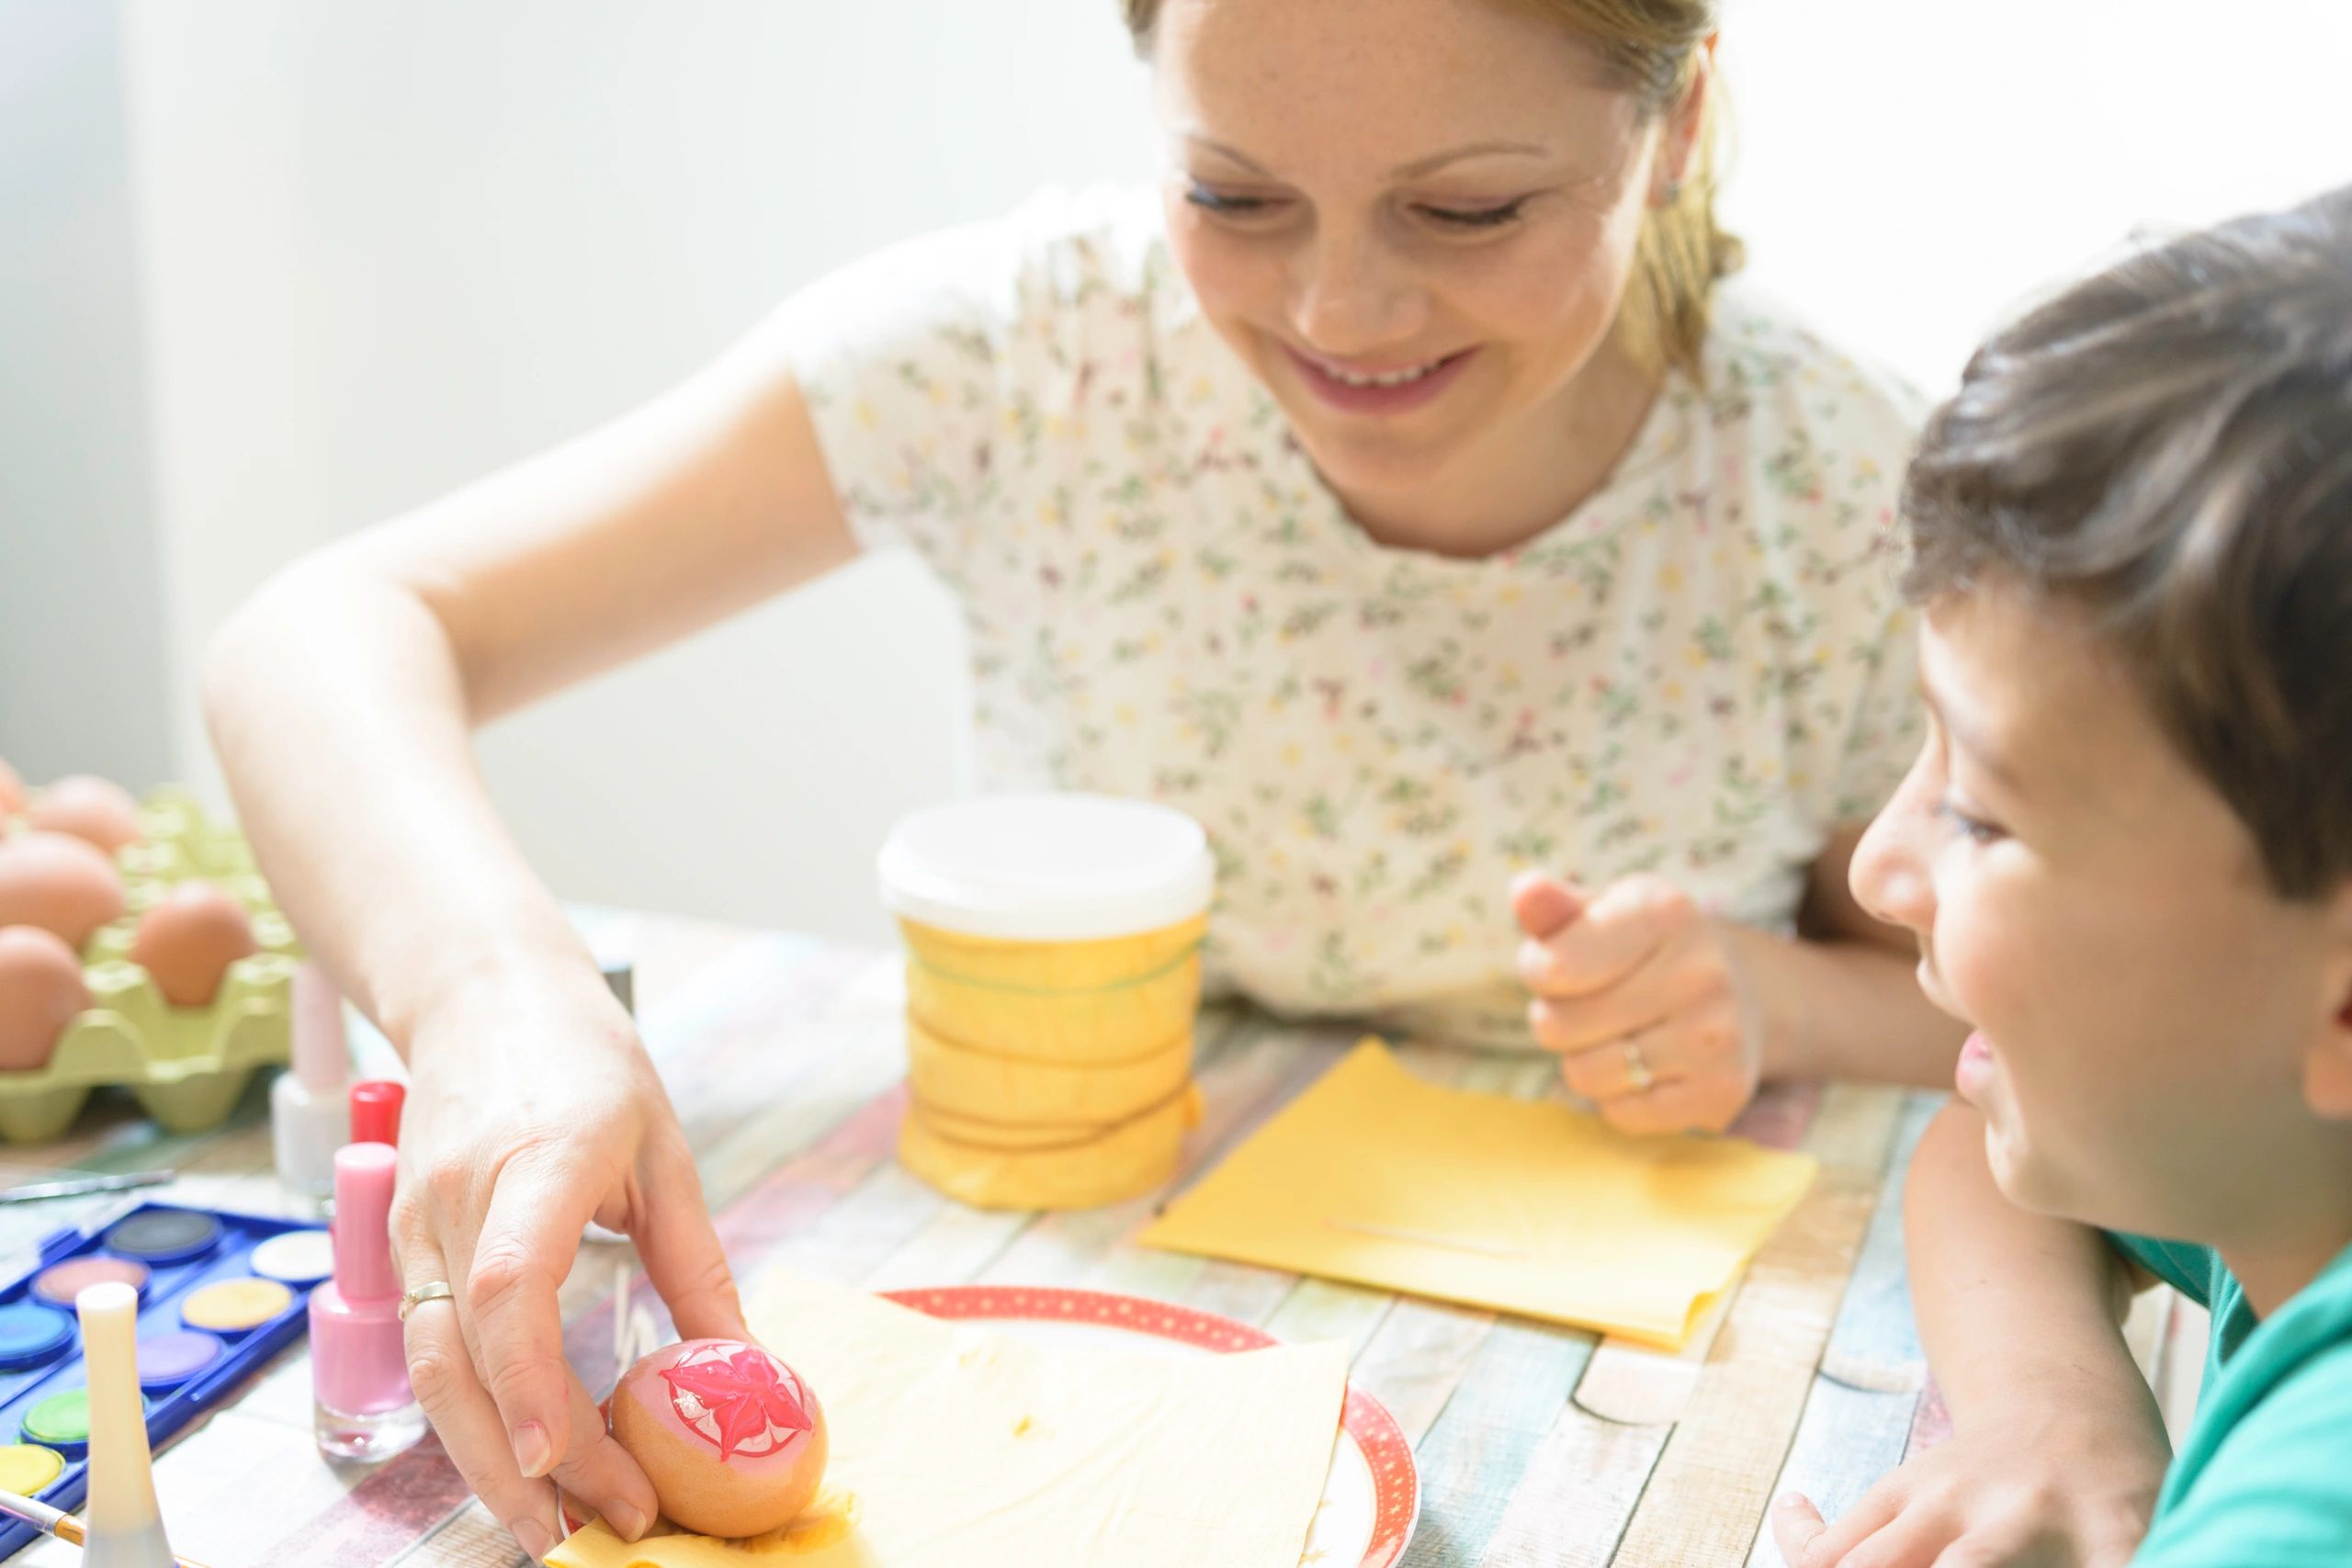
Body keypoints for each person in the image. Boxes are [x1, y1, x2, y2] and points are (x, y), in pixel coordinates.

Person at [205, 0, 1958, 1555]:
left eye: (1469, 209)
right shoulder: (1038, 355)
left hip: (1610, 1391)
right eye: (1234, 196)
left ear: (1677, 121)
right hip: (1069, 1290)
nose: (1340, 307)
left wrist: (1775, 997)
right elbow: (317, 633)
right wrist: (498, 1002)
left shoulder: (1836, 481)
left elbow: (1992, 1021)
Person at [1774, 186, 2352, 1568]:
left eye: (1979, 815)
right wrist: (2055, 1410)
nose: (1881, 865)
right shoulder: (2285, 1165)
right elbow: (1987, 1144)